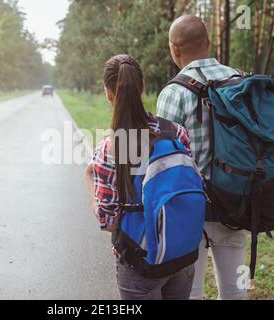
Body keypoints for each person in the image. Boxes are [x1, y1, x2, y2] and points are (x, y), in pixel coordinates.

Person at [85, 54, 195, 300]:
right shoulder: (175, 132)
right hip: (181, 253)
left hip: (140, 264)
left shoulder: (110, 149)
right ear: (143, 87)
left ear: (108, 93)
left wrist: (89, 180)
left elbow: (109, 222)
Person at [156, 15, 248, 300]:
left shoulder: (173, 92)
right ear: (209, 43)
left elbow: (161, 160)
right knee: (235, 291)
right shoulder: (242, 81)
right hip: (236, 202)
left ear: (174, 48)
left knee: (189, 293)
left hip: (188, 208)